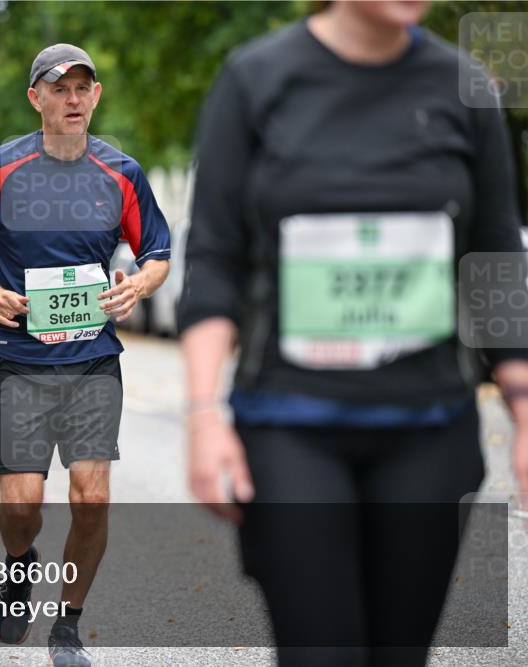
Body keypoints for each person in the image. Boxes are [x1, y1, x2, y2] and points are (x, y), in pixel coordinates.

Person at [178, 2, 528, 666]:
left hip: (429, 428)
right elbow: (216, 257)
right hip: (290, 425)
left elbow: (494, 260)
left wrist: (524, 410)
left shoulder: (467, 87)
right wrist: (202, 414)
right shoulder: (255, 80)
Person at [0, 44, 170, 666]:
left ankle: (67, 626)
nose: (71, 99)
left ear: (95, 96)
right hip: (18, 358)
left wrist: (138, 284)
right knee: (22, 504)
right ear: (35, 98)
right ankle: (19, 563)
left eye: (81, 89)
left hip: (93, 357)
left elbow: (157, 252)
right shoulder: (0, 167)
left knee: (92, 497)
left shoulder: (121, 170)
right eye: (58, 88)